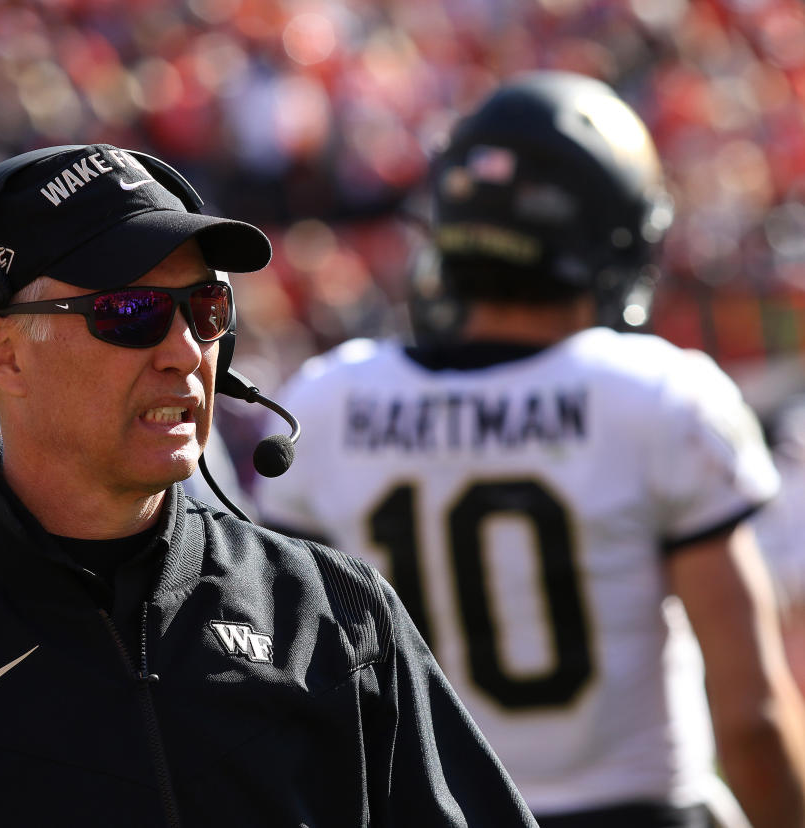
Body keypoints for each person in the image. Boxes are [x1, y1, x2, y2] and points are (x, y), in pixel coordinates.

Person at [0, 143, 536, 826]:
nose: (185, 350)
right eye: (130, 313)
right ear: (4, 354)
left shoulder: (335, 612)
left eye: (206, 309)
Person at [256, 72, 805, 828]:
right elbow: (752, 720)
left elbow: (286, 691)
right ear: (613, 229)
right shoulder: (655, 395)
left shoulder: (329, 400)